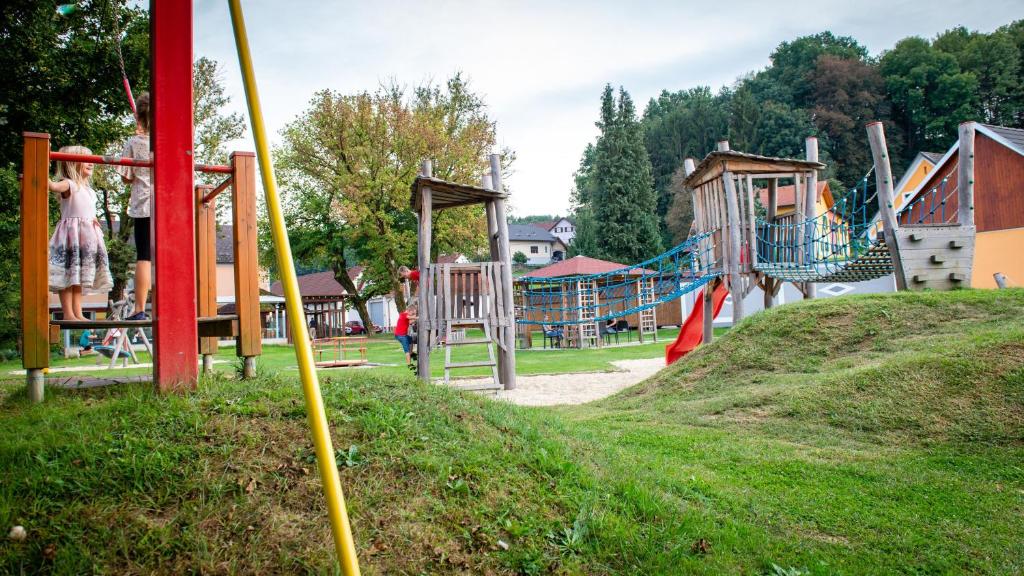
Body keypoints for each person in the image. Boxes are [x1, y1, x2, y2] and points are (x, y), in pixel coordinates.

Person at [48, 146, 113, 321]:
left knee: (78, 277)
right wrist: (42, 163)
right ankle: (68, 313)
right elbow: (52, 186)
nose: (91, 163)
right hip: (71, 237)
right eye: (86, 160)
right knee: (68, 274)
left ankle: (78, 312)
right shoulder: (69, 184)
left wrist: (94, 219)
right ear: (72, 163)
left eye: (92, 160)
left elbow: (88, 211)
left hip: (86, 239)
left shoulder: (90, 192)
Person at [119, 92, 152, 321]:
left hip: (144, 204)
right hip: (168, 204)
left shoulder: (134, 142)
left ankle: (140, 308)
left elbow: (125, 176)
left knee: (144, 256)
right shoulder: (168, 140)